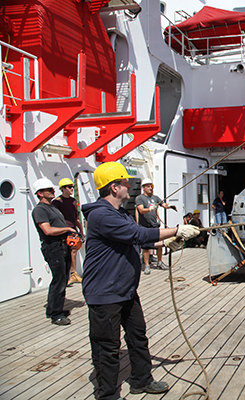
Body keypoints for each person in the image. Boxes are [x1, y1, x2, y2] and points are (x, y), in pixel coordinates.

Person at [81, 162, 200, 400]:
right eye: (126, 183)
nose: (130, 187)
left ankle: (141, 380)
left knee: (137, 336)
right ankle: (107, 395)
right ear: (114, 188)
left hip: (125, 289)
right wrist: (177, 229)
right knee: (107, 347)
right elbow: (137, 234)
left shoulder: (120, 213)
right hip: (104, 293)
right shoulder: (100, 215)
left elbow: (134, 240)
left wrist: (163, 243)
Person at [31, 177, 77, 326]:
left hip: (62, 245)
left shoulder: (53, 207)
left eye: (52, 189)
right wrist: (68, 229)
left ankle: (53, 309)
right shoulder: (39, 210)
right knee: (58, 280)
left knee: (62, 279)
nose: (52, 191)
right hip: (53, 247)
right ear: (40, 194)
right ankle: (56, 315)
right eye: (48, 190)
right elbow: (47, 230)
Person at [136, 178, 177, 274]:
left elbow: (163, 204)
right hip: (145, 226)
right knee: (145, 246)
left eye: (151, 186)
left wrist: (170, 206)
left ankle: (159, 262)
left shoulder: (155, 198)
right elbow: (141, 210)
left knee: (160, 244)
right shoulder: (140, 198)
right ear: (143, 188)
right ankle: (146, 265)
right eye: (148, 186)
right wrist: (150, 209)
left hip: (154, 225)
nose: (151, 188)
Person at [52, 177, 85, 285]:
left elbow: (76, 218)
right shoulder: (57, 202)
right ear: (63, 188)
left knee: (74, 250)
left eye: (73, 187)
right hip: (63, 230)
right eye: (70, 187)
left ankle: (73, 273)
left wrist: (80, 230)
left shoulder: (73, 201)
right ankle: (66, 275)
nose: (72, 189)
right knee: (65, 252)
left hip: (73, 230)